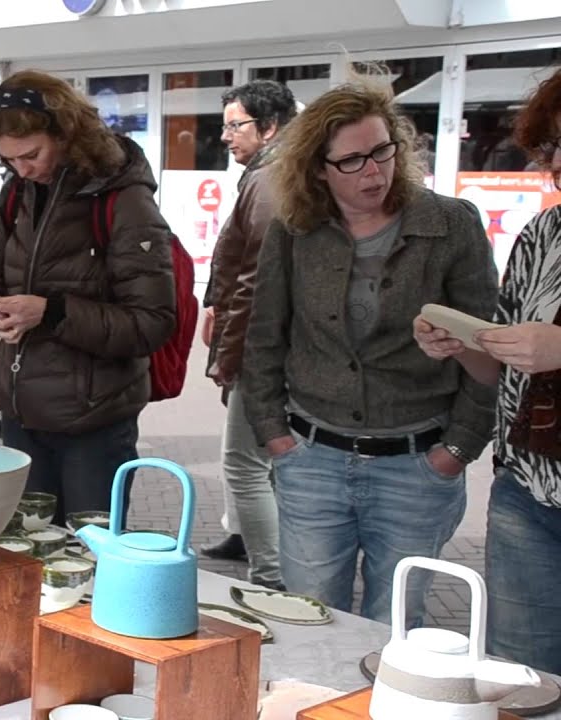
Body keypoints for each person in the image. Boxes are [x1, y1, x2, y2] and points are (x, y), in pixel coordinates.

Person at [242, 71, 498, 624]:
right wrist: (274, 435)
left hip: (416, 464)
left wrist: (457, 450)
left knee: (395, 627)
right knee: (310, 620)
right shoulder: (295, 229)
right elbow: (264, 337)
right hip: (311, 459)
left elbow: (488, 347)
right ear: (317, 167)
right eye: (352, 160)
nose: (374, 171)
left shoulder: (450, 224)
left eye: (382, 151)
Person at [0, 70, 176, 524]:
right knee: (26, 553)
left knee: (88, 554)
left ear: (66, 135)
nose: (22, 169)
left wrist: (52, 312)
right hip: (20, 413)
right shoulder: (18, 191)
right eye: (8, 159)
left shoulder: (125, 201)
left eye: (31, 155)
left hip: (94, 422)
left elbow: (153, 322)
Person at [414, 66, 561, 673]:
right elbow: (500, 374)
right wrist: (464, 344)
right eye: (551, 144)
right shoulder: (545, 233)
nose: (555, 162)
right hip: (527, 492)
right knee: (518, 680)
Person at [198, 80, 298, 590]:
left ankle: (271, 578)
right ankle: (252, 545)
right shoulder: (278, 171)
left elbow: (255, 278)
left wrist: (229, 353)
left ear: (270, 126)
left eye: (235, 126)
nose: (225, 136)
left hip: (263, 348)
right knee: (266, 461)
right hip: (276, 343)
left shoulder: (270, 179)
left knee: (244, 462)